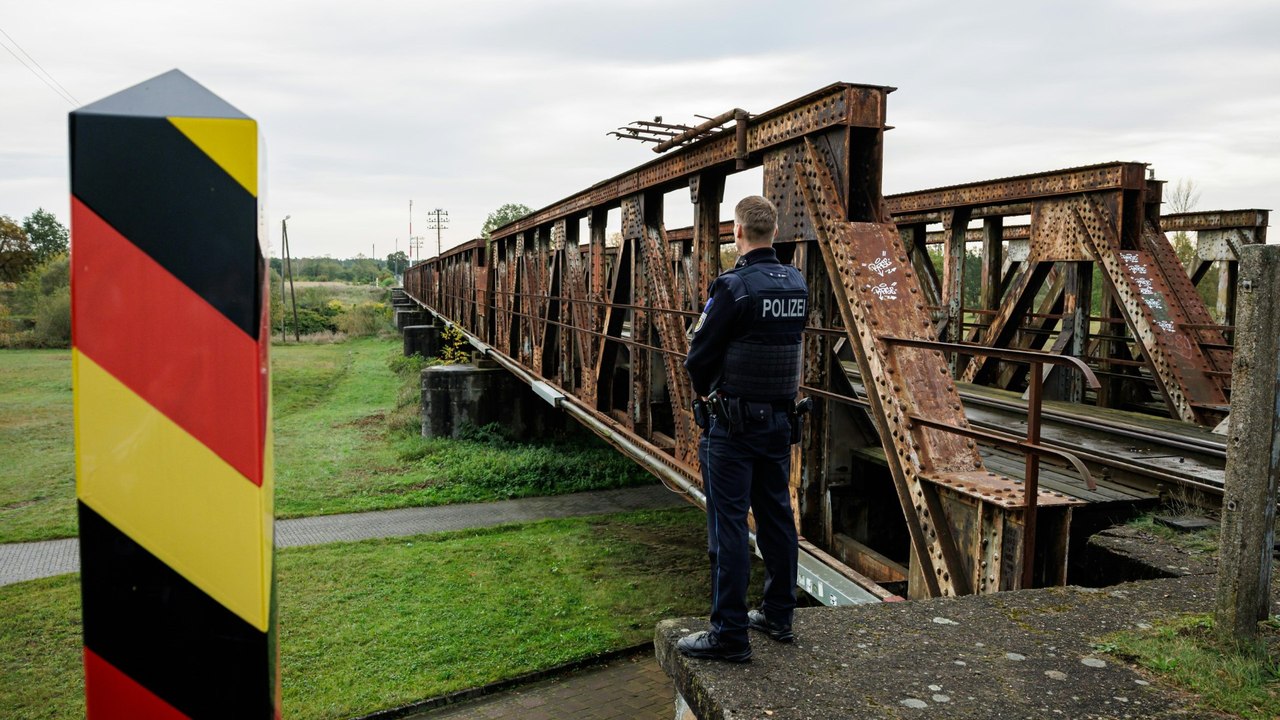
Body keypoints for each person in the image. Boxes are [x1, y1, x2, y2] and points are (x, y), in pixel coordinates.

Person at [678, 195, 809, 662]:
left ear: (737, 232)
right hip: (779, 421)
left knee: (728, 527)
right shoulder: (796, 283)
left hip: (732, 427)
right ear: (774, 231)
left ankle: (729, 633)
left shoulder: (733, 287)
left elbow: (698, 357)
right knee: (777, 517)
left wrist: (708, 395)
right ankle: (779, 614)